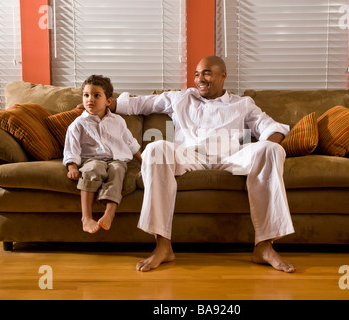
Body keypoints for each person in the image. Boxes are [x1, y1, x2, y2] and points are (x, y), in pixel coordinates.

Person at [110, 56, 295, 273]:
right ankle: (163, 245)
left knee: (272, 149)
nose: (200, 79)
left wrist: (263, 152)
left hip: (231, 157)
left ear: (223, 75)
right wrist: (106, 103)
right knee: (155, 149)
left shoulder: (242, 104)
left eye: (206, 73)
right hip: (190, 155)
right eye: (197, 74)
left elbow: (272, 128)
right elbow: (140, 103)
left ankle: (264, 247)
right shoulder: (180, 98)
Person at [64, 75, 142, 234]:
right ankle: (86, 217)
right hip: (91, 159)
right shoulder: (79, 123)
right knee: (92, 170)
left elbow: (129, 142)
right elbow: (71, 146)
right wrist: (72, 165)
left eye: (96, 95)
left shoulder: (118, 120)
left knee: (118, 171)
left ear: (108, 101)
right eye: (86, 95)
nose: (90, 99)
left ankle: (109, 213)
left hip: (117, 159)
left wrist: (143, 159)